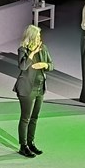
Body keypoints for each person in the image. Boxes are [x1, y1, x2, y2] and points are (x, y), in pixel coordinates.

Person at [13, 25, 53, 158]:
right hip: (26, 89)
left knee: (34, 117)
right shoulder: (22, 50)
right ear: (30, 38)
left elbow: (52, 65)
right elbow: (23, 66)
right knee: (26, 118)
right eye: (37, 37)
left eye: (39, 37)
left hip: (40, 87)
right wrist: (32, 53)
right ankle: (23, 146)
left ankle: (31, 143)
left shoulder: (44, 48)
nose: (39, 39)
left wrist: (45, 65)